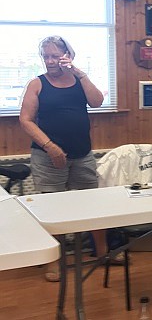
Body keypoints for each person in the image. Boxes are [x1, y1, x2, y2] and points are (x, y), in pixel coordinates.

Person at [19, 35, 110, 282]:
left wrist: (81, 74)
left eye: (54, 56)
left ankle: (102, 254)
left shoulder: (80, 81)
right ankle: (54, 262)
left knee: (93, 205)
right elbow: (25, 120)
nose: (49, 61)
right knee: (52, 210)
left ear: (66, 56)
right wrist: (50, 146)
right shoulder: (37, 84)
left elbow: (97, 102)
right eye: (45, 56)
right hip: (48, 157)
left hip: (82, 154)